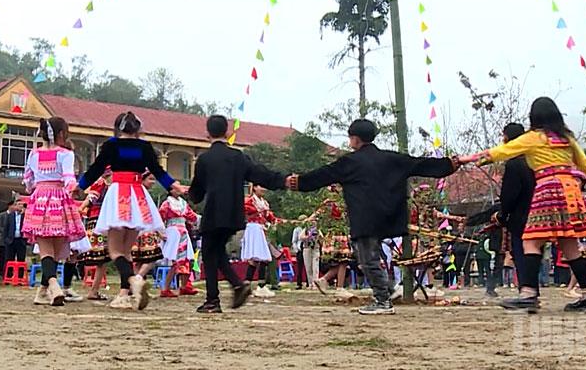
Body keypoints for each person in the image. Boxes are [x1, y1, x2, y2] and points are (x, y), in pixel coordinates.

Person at [457, 97, 586, 314]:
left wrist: (465, 160)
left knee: (531, 241)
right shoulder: (566, 138)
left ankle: (528, 294)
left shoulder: (533, 138)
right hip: (570, 192)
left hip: (548, 190)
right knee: (569, 244)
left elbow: (500, 152)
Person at [288, 118, 458, 315]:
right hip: (388, 217)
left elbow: (323, 175)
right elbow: (419, 163)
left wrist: (299, 182)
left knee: (367, 261)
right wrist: (448, 165)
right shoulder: (390, 158)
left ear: (355, 139)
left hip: (365, 219)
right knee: (367, 258)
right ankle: (390, 290)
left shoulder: (349, 162)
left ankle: (383, 301)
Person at [80, 111, 186, 311]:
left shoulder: (111, 145)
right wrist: (172, 185)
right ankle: (123, 294)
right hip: (138, 196)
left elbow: (96, 168)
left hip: (118, 194)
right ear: (137, 128)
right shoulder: (144, 146)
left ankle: (133, 281)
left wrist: (80, 186)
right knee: (126, 251)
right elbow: (157, 170)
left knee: (114, 251)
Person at [186, 115, 286, 313]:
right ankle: (236, 286)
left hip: (214, 212)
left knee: (209, 252)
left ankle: (215, 299)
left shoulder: (204, 159)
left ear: (207, 134)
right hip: (234, 213)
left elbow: (197, 192)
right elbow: (259, 174)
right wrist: (282, 181)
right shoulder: (238, 157)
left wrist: (190, 194)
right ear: (227, 132)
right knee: (217, 251)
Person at [23, 117, 86, 307]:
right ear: (60, 133)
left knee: (48, 252)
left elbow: (28, 182)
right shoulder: (66, 154)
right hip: (60, 200)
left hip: (39, 200)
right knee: (56, 251)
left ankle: (42, 292)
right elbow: (68, 177)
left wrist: (37, 186)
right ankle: (54, 286)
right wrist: (76, 188)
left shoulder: (33, 154)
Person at [495, 122, 536, 294]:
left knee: (521, 254)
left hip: (520, 217)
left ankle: (526, 291)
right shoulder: (533, 162)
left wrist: (502, 214)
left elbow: (509, 194)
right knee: (534, 254)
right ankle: (533, 290)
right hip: (537, 214)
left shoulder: (514, 164)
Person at [159, 193, 199, 298]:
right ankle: (166, 288)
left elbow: (193, 216)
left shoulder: (183, 203)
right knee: (175, 261)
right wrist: (160, 232)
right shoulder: (167, 203)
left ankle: (184, 286)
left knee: (186, 259)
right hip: (173, 232)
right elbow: (159, 218)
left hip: (183, 232)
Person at [242, 185, 278, 298]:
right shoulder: (250, 201)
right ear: (254, 188)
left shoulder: (264, 202)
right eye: (261, 187)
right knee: (258, 258)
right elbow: (245, 209)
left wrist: (273, 220)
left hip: (261, 229)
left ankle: (252, 286)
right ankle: (258, 286)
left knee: (260, 259)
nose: (264, 189)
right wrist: (259, 210)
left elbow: (269, 216)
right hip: (254, 228)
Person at [0, 198, 27, 278]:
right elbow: (5, 229)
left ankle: (20, 277)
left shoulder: (25, 216)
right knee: (9, 259)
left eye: (22, 205)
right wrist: (5, 240)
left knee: (21, 259)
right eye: (18, 204)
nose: (20, 206)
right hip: (11, 240)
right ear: (15, 206)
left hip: (21, 240)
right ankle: (8, 276)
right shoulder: (10, 215)